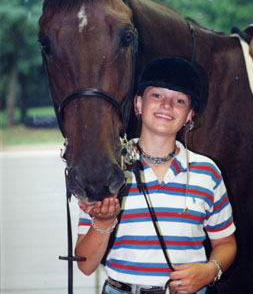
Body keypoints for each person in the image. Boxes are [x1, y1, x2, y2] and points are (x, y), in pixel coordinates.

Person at [75, 56, 237, 294]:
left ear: (190, 115)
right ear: (139, 104)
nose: (167, 105)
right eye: (157, 95)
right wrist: (103, 222)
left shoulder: (207, 171)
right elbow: (85, 265)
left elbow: (225, 242)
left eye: (179, 100)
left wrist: (210, 271)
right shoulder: (108, 169)